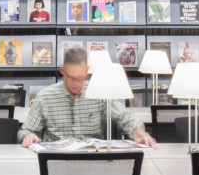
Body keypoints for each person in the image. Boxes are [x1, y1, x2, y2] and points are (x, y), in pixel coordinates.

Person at [19, 47, 157, 148]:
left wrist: (138, 131)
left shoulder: (98, 93)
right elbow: (26, 130)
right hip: (56, 163)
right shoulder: (45, 97)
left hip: (93, 160)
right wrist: (28, 136)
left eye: (80, 78)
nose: (76, 84)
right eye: (71, 78)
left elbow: (124, 117)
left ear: (87, 71)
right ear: (63, 71)